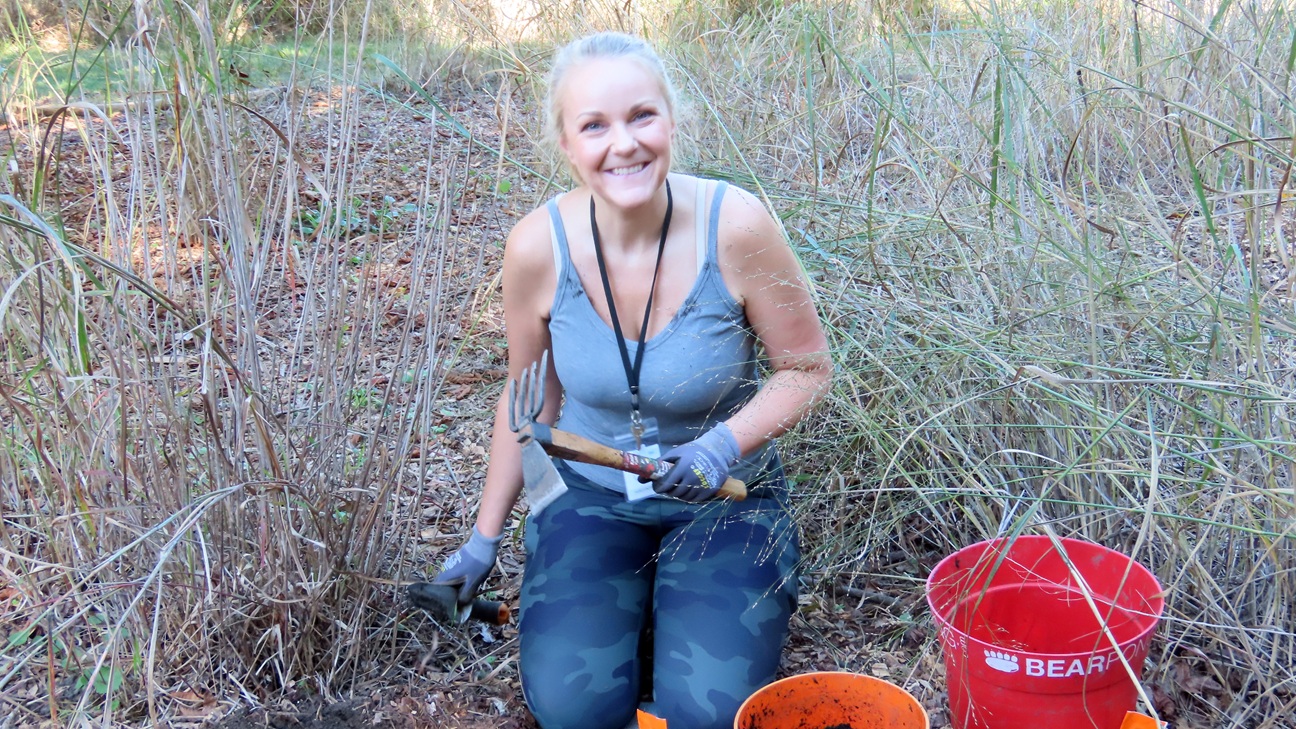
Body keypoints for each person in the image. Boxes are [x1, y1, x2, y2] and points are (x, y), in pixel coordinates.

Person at [433, 31, 832, 729]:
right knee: (572, 711)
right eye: (594, 125)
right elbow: (529, 400)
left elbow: (806, 369)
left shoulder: (735, 225)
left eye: (642, 116)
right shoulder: (537, 246)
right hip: (590, 498)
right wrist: (483, 538)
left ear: (671, 121)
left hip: (725, 501)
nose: (624, 144)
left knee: (710, 716)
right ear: (566, 143)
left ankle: (677, 611)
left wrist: (720, 446)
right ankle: (630, 608)